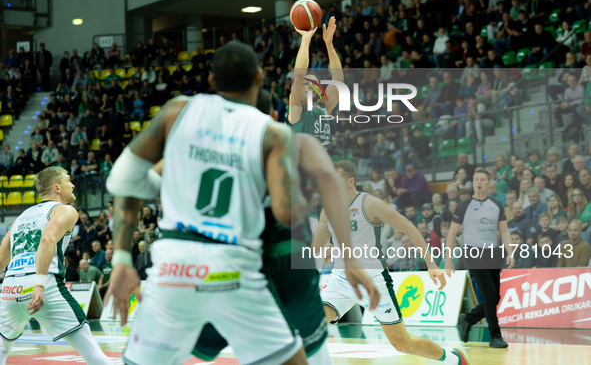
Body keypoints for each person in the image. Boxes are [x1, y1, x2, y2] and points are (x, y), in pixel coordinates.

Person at [105, 41, 374, 365]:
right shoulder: (280, 135)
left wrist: (124, 251)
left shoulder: (179, 114)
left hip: (175, 267)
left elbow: (125, 181)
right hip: (246, 263)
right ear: (262, 82)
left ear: (213, 81)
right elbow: (294, 208)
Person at [191, 91, 378, 364]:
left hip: (240, 259)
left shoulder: (217, 150)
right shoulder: (291, 138)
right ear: (274, 115)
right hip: (282, 249)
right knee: (304, 348)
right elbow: (308, 197)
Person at [314, 160, 470, 365]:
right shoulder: (328, 210)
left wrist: (431, 264)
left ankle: (453, 358)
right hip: (340, 280)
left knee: (402, 343)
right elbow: (315, 247)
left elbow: (409, 228)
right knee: (314, 325)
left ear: (350, 181)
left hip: (374, 281)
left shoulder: (369, 204)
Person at [0, 167, 112, 364]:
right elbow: (47, 239)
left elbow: (1, 259)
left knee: (1, 350)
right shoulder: (65, 210)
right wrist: (39, 285)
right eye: (69, 180)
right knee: (92, 352)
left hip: (10, 289)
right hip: (44, 286)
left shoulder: (20, 217)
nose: (73, 184)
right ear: (57, 187)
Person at [446, 168, 515, 349]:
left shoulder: (497, 205)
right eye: (476, 179)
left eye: (483, 179)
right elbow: (452, 233)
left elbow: (505, 231)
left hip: (493, 253)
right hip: (473, 252)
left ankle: (469, 318)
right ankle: (495, 336)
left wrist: (510, 252)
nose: (479, 182)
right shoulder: (464, 205)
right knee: (490, 294)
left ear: (488, 183)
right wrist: (448, 259)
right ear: (473, 182)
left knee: (495, 296)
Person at [289, 17, 342, 148]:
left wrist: (329, 45)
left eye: (316, 84)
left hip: (323, 162)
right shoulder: (298, 105)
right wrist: (306, 38)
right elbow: (300, 74)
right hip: (302, 164)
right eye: (308, 84)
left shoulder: (324, 107)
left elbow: (338, 79)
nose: (312, 87)